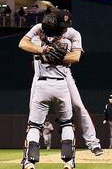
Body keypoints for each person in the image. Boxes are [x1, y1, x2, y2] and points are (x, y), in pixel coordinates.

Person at [18, 11, 103, 156]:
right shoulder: (40, 28)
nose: (65, 28)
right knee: (34, 112)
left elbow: (76, 57)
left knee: (79, 106)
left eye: (67, 24)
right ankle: (29, 152)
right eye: (62, 25)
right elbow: (22, 43)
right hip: (40, 75)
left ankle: (93, 143)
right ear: (53, 22)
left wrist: (57, 58)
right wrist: (42, 50)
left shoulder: (73, 34)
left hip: (64, 74)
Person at [18, 13, 76, 169]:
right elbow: (74, 57)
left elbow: (23, 44)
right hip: (61, 86)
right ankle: (68, 162)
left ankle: (30, 163)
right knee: (67, 124)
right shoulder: (66, 43)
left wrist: (42, 50)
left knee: (35, 126)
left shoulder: (36, 41)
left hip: (42, 85)